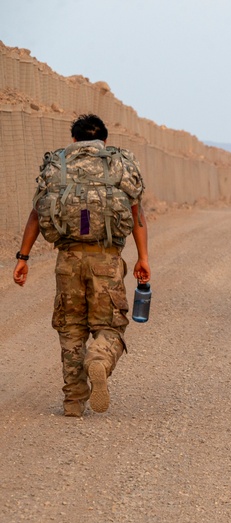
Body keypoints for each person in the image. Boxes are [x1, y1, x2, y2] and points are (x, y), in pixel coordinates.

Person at [12, 114, 151, 417]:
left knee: (70, 327)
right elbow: (137, 214)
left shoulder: (57, 165)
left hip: (68, 260)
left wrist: (23, 258)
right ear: (105, 141)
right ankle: (100, 358)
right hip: (107, 257)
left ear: (73, 140)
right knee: (110, 324)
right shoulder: (118, 164)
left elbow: (37, 213)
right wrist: (143, 257)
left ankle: (74, 400)